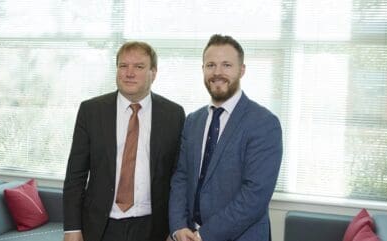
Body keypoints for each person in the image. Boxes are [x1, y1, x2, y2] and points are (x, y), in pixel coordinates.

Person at [63, 41, 186, 241]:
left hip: (152, 227)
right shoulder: (91, 111)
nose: (129, 73)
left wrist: (176, 227)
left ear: (153, 73)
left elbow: (179, 177)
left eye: (138, 67)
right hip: (101, 226)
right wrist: (72, 228)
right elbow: (75, 174)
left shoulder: (174, 114)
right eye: (123, 66)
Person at [169, 34, 283, 241]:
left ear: (242, 70)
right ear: (202, 69)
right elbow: (181, 177)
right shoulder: (193, 121)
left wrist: (204, 235)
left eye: (227, 65)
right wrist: (178, 227)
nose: (217, 72)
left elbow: (254, 196)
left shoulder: (264, 123)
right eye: (210, 65)